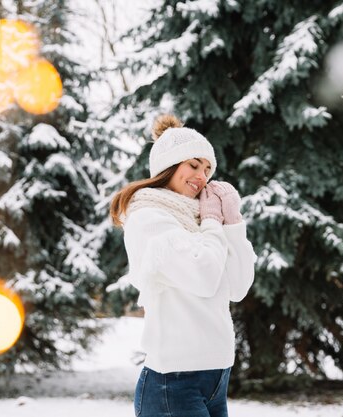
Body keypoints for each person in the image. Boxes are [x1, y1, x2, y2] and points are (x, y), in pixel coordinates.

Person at [110, 114, 256, 417]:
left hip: (217, 375)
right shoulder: (148, 218)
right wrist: (215, 223)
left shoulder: (202, 220)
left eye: (207, 168)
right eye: (193, 164)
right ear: (168, 166)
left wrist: (233, 223)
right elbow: (203, 276)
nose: (202, 176)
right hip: (174, 381)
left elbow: (239, 286)